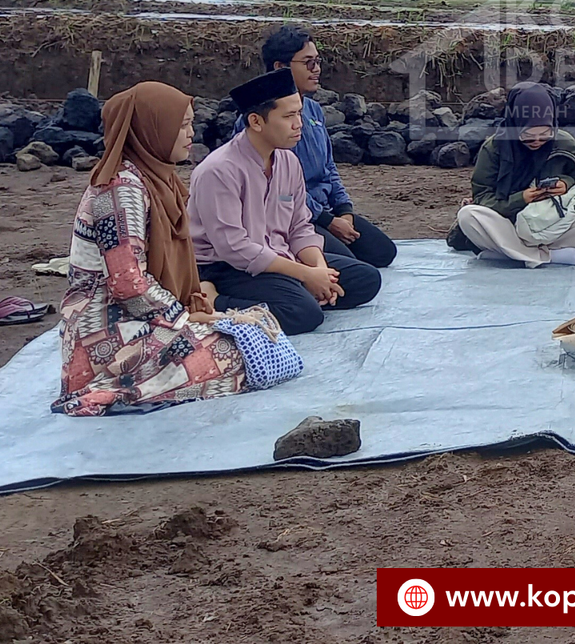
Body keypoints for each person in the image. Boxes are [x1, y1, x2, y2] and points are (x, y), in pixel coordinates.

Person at [54, 82, 249, 416]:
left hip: (146, 317)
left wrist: (191, 315)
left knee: (249, 337)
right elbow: (129, 285)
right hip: (105, 328)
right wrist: (186, 318)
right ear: (152, 128)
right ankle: (103, 392)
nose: (191, 132)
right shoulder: (120, 192)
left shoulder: (160, 180)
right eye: (183, 125)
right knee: (232, 352)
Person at [191, 69, 381, 334]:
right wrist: (304, 275)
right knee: (304, 314)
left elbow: (300, 227)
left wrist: (320, 270)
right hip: (227, 267)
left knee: (366, 279)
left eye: (299, 114)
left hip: (279, 256)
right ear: (256, 121)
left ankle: (297, 292)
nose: (298, 124)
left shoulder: (288, 161)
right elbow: (234, 248)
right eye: (289, 116)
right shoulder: (219, 171)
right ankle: (215, 301)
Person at [236, 25, 396, 269]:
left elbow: (328, 167)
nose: (317, 69)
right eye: (308, 63)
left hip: (325, 209)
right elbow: (277, 189)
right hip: (290, 214)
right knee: (349, 265)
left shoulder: (313, 110)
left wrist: (344, 210)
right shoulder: (260, 122)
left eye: (318, 61)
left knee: (383, 253)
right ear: (281, 68)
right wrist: (328, 220)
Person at [446, 82, 575, 264]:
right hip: (507, 225)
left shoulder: (566, 144)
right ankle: (549, 257)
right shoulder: (495, 148)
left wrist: (565, 184)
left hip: (551, 224)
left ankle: (507, 255)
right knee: (468, 215)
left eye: (545, 134)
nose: (537, 141)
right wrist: (521, 199)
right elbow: (482, 196)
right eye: (528, 135)